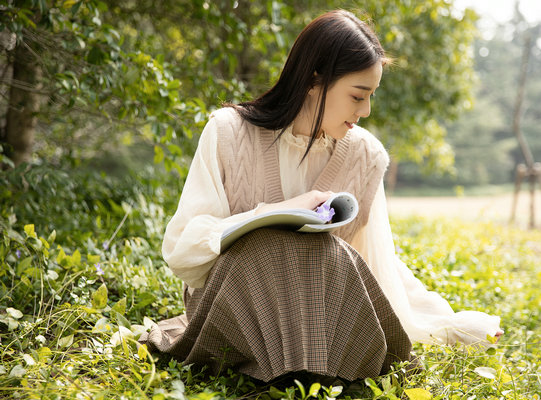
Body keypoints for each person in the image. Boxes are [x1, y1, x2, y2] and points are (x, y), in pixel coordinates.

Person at [141, 10, 502, 382]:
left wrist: (445, 325)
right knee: (269, 248)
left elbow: (375, 263)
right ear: (315, 79)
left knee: (327, 254)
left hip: (320, 308)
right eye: (358, 96)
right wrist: (274, 212)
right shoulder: (229, 132)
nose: (365, 111)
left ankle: (305, 376)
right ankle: (304, 377)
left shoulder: (366, 156)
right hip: (241, 300)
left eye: (370, 97)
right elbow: (184, 250)